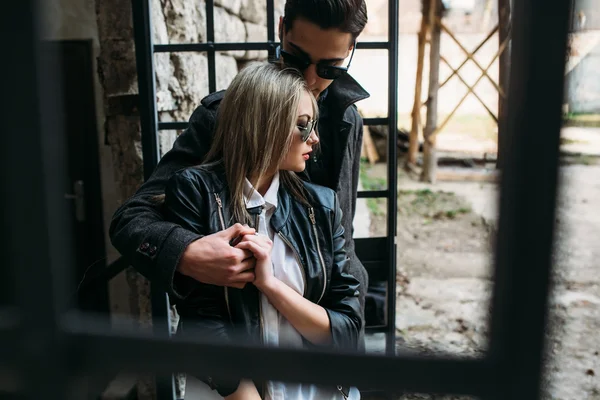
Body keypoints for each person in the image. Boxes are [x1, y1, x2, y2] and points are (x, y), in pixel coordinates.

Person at [109, 0, 370, 340]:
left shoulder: (348, 121)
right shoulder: (225, 116)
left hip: (327, 331)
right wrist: (186, 252)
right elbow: (132, 219)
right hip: (237, 332)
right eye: (297, 58)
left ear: (351, 50)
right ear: (281, 30)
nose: (308, 78)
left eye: (329, 68)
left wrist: (344, 329)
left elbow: (342, 237)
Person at [163, 62, 362, 399]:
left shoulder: (322, 205)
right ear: (264, 125)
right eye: (303, 125)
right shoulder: (195, 191)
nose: (314, 137)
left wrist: (270, 285)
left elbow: (344, 327)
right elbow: (203, 319)